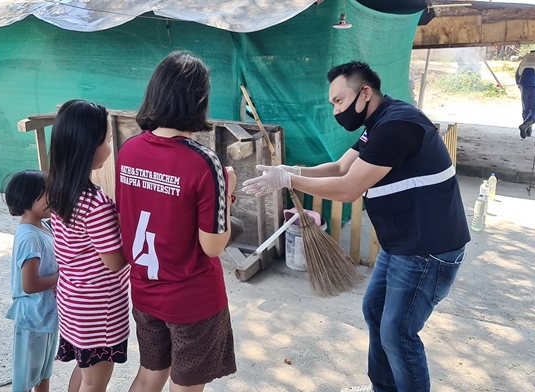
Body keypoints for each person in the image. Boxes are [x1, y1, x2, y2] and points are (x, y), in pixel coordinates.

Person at [242, 61, 471, 392]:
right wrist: (291, 170)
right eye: (332, 103)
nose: (336, 109)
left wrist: (289, 180)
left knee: (397, 331)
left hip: (429, 249)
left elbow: (349, 188)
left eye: (339, 100)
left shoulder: (397, 125)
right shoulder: (378, 123)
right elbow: (338, 168)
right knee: (375, 311)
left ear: (365, 92)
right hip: (404, 241)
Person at [115, 51, 237, 392]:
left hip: (144, 291)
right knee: (185, 385)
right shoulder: (203, 162)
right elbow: (213, 246)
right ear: (200, 99)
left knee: (150, 374)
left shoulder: (129, 150)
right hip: (191, 301)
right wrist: (228, 195)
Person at [46, 99, 130, 392]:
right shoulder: (96, 204)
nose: (110, 147)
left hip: (73, 300)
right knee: (95, 383)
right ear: (87, 148)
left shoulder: (58, 189)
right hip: (98, 309)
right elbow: (115, 262)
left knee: (84, 375)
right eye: (106, 141)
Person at [3, 169, 58, 392]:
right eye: (46, 194)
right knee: (25, 378)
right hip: (32, 319)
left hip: (45, 316)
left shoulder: (43, 226)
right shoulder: (29, 237)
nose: (52, 198)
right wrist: (62, 277)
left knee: (43, 371)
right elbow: (30, 284)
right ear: (27, 199)